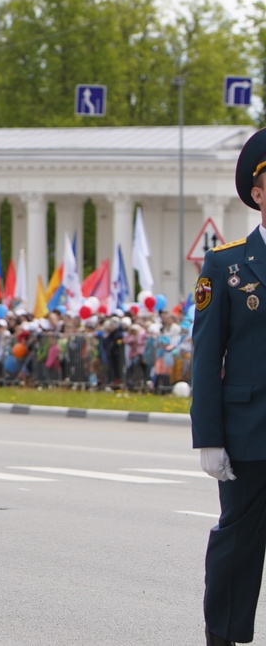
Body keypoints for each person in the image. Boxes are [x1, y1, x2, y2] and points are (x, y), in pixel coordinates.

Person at [192, 128, 266, 646]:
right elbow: (205, 356)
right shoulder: (226, 263)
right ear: (259, 193)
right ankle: (224, 635)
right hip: (249, 429)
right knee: (237, 543)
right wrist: (209, 438)